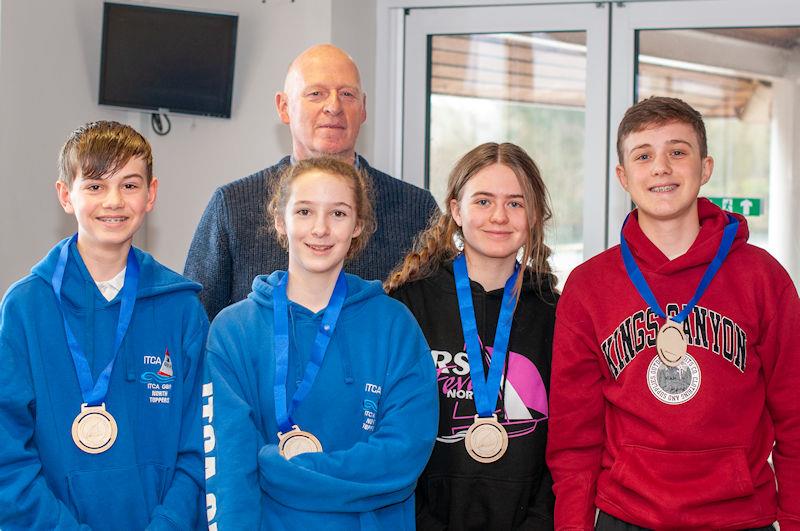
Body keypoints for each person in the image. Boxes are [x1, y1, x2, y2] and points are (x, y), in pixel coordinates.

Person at [546, 96, 800, 530]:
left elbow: (795, 416)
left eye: (677, 152)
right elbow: (574, 438)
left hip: (740, 516)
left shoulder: (762, 277)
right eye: (644, 155)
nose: (661, 167)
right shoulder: (589, 286)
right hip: (626, 515)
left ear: (705, 168)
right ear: (623, 177)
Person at [203, 157, 438, 530]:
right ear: (281, 221)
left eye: (339, 214)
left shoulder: (395, 327)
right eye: (305, 211)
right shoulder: (233, 331)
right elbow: (229, 472)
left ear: (358, 225)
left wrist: (274, 466)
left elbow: (401, 459)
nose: (321, 229)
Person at [0, 121, 208, 530]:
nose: (114, 200)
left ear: (151, 194)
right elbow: (7, 452)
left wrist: (169, 523)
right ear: (65, 195)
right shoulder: (25, 308)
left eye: (130, 185)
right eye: (95, 186)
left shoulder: (182, 309)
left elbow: (201, 443)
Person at [185, 43, 438, 321]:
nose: (333, 106)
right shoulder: (232, 205)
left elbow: (439, 321)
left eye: (347, 94)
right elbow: (193, 324)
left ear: (363, 109)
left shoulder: (417, 210)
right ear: (284, 107)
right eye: (316, 94)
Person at [386, 142, 558, 530]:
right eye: (483, 201)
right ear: (456, 210)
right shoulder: (406, 306)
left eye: (515, 203)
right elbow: (386, 432)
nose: (499, 216)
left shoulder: (556, 314)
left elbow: (567, 445)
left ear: (534, 215)